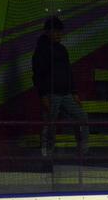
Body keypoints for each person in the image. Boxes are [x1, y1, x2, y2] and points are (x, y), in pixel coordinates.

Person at [32, 17, 89, 157]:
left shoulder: (62, 49)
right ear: (47, 32)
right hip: (51, 94)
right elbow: (37, 75)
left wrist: (74, 92)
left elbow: (68, 71)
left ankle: (82, 150)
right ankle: (47, 153)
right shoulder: (41, 50)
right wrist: (43, 95)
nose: (58, 34)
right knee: (50, 124)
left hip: (66, 93)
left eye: (60, 31)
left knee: (82, 116)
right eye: (55, 31)